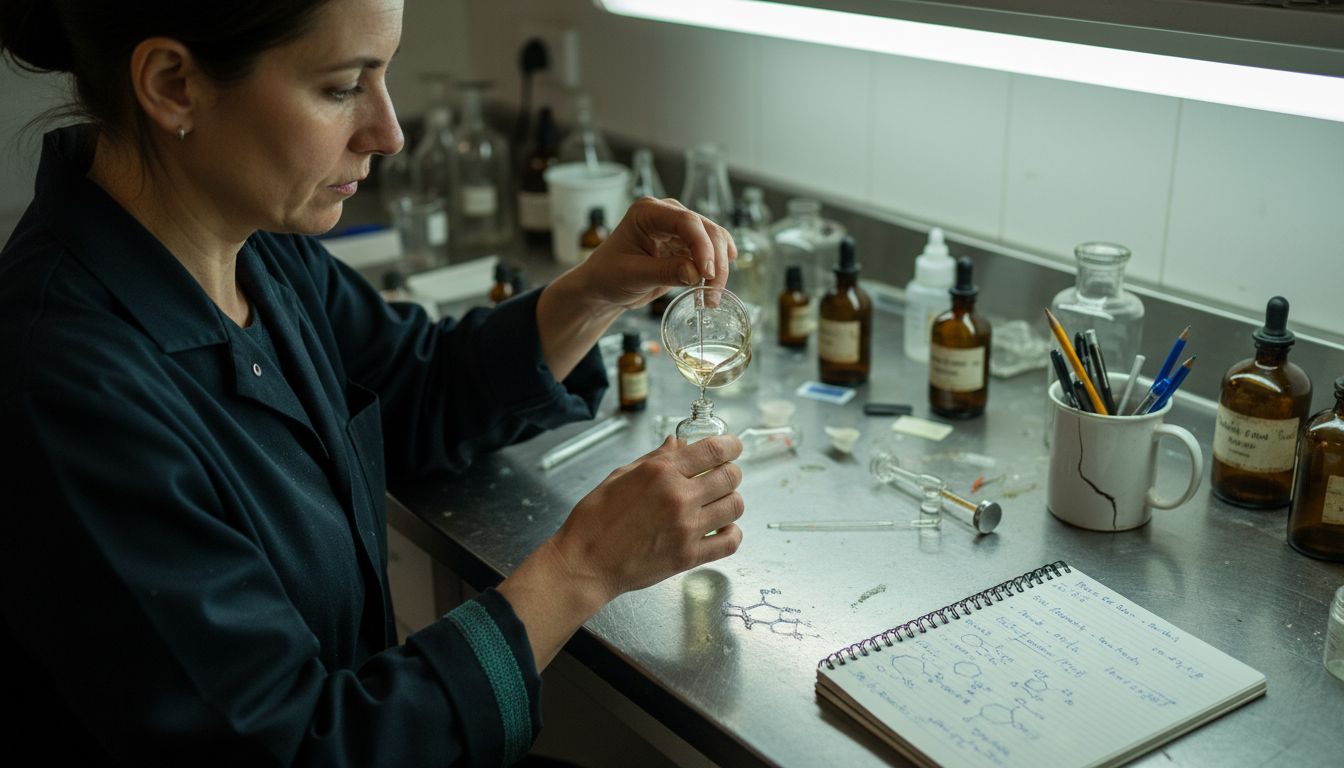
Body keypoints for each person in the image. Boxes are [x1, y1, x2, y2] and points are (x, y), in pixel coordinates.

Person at [0, 1, 744, 765]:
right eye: (343, 87)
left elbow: (412, 388)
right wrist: (581, 566)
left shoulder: (252, 245)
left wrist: (592, 292)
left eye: (384, 78)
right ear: (172, 85)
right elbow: (302, 747)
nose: (389, 134)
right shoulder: (66, 386)